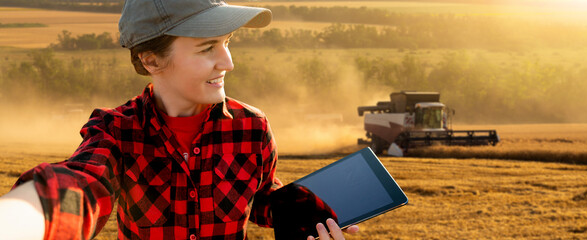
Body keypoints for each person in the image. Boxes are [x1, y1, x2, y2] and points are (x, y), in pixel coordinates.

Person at [0, 0, 358, 239]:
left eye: (227, 42)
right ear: (152, 60)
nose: (228, 62)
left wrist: (291, 210)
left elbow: (260, 194)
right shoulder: (117, 131)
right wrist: (20, 219)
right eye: (207, 48)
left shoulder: (253, 128)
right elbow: (81, 184)